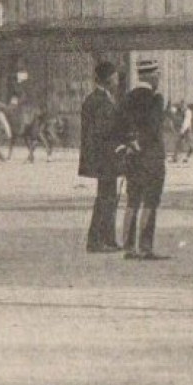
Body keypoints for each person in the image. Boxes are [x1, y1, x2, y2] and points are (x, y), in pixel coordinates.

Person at [113, 59, 169, 260]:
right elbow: (153, 128)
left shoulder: (126, 98)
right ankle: (145, 247)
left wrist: (129, 144)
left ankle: (129, 247)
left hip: (132, 158)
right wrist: (141, 144)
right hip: (151, 157)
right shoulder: (155, 99)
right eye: (157, 75)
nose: (158, 79)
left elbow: (118, 127)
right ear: (151, 76)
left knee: (132, 201)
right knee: (150, 202)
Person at [78, 61, 123, 252]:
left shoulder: (96, 99)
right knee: (106, 198)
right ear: (108, 79)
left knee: (109, 197)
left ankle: (108, 238)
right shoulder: (100, 101)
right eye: (115, 77)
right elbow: (104, 130)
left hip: (103, 156)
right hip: (105, 157)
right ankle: (96, 240)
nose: (118, 80)